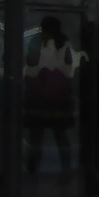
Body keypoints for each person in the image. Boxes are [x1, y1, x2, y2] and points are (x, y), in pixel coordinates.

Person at [25, 16, 79, 175]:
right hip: (58, 97)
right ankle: (65, 167)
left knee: (38, 135)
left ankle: (33, 168)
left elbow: (31, 63)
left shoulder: (38, 42)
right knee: (59, 134)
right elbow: (69, 67)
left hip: (41, 96)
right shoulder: (65, 43)